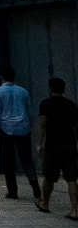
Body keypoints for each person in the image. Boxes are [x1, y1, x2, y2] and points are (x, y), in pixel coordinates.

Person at [0, 66, 39, 201]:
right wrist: (30, 125)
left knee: (8, 160)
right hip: (23, 128)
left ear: (2, 77)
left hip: (6, 129)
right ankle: (33, 179)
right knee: (26, 158)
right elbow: (29, 111)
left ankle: (13, 191)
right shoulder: (23, 91)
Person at [39, 77, 78, 217]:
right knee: (71, 178)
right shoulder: (71, 105)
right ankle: (74, 210)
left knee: (49, 177)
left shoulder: (45, 104)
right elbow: (76, 126)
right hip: (69, 144)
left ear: (50, 89)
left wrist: (39, 143)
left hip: (52, 145)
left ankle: (45, 204)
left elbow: (43, 124)